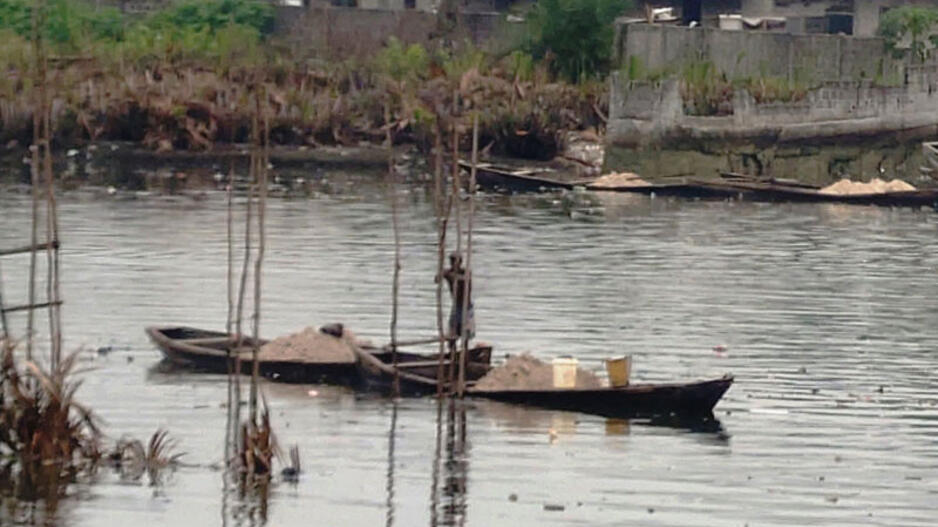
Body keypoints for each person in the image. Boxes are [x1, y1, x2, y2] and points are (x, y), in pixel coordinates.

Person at [439, 252, 475, 342]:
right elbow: (437, 279)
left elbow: (464, 279)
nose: (453, 264)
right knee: (452, 334)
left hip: (466, 307)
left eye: (456, 262)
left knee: (466, 333)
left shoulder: (465, 272)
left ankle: (465, 351)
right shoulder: (448, 273)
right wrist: (441, 274)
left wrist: (453, 277)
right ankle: (452, 352)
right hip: (456, 307)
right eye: (452, 261)